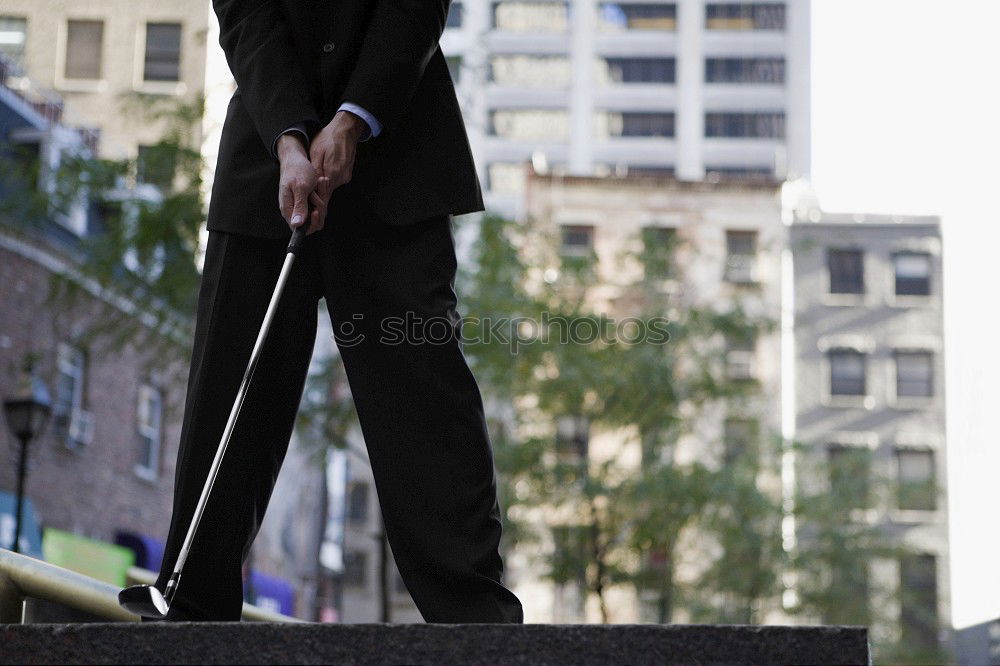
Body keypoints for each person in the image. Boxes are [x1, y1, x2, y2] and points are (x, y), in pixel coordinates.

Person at [151, 0, 524, 623]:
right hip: (266, 167)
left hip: (399, 161)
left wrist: (353, 119)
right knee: (231, 387)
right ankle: (192, 601)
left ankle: (473, 616)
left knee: (422, 396)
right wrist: (289, 137)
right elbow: (246, 12)